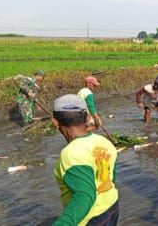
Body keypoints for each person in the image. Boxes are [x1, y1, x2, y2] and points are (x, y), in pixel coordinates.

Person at [50, 94, 119, 225]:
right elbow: (112, 177)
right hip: (112, 206)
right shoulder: (104, 142)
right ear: (88, 118)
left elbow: (85, 196)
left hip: (91, 218)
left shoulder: (70, 154)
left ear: (55, 122)